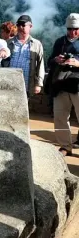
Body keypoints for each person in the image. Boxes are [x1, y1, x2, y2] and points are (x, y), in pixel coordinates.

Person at [47, 13, 79, 156]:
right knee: (60, 117)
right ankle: (65, 146)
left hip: (77, 85)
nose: (73, 32)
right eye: (70, 29)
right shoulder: (60, 42)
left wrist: (77, 63)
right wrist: (57, 59)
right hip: (61, 85)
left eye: (76, 29)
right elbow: (50, 61)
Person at [1, 15, 44, 96]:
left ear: (30, 26)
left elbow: (40, 64)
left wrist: (38, 84)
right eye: (18, 24)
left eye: (23, 25)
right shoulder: (9, 42)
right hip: (9, 83)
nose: (20, 27)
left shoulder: (36, 44)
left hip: (26, 84)